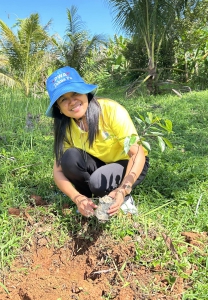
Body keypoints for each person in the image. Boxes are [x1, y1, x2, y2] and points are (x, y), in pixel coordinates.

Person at [45, 66, 149, 217]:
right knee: (69, 158)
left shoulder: (111, 110)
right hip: (101, 164)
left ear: (85, 93)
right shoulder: (65, 127)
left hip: (129, 163)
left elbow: (137, 154)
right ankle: (88, 199)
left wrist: (123, 188)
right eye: (63, 99)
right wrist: (77, 198)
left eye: (75, 93)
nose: (72, 102)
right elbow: (58, 171)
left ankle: (124, 198)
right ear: (59, 108)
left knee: (99, 182)